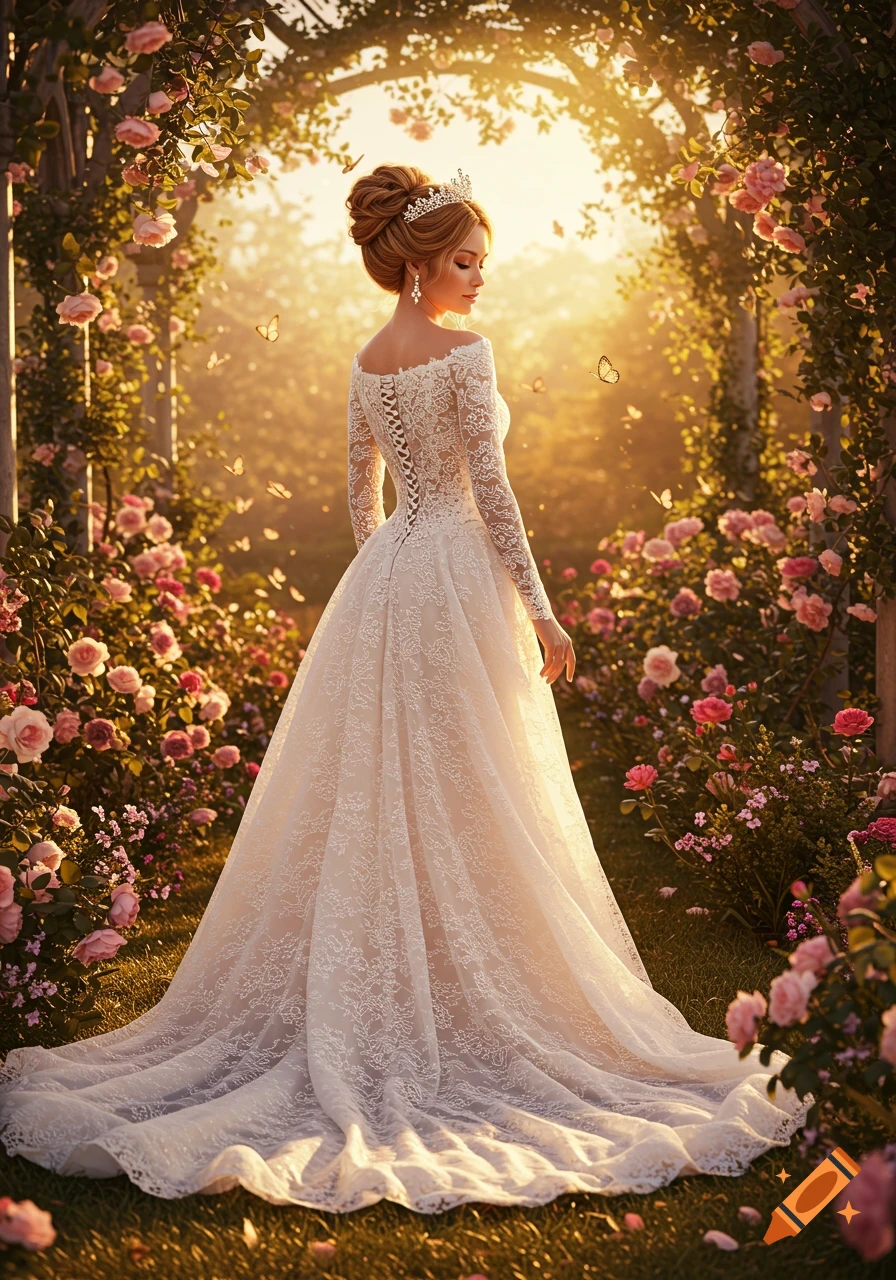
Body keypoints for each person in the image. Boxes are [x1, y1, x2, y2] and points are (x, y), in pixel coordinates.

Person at [0, 164, 806, 1213]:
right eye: (465, 261)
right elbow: (496, 491)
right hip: (459, 569)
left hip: (385, 579)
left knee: (396, 783)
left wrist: (384, 571)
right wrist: (542, 606)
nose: (478, 280)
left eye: (480, 262)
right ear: (420, 261)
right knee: (478, 781)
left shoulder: (370, 360)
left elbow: (355, 483)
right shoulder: (463, 355)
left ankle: (435, 979)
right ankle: (466, 989)